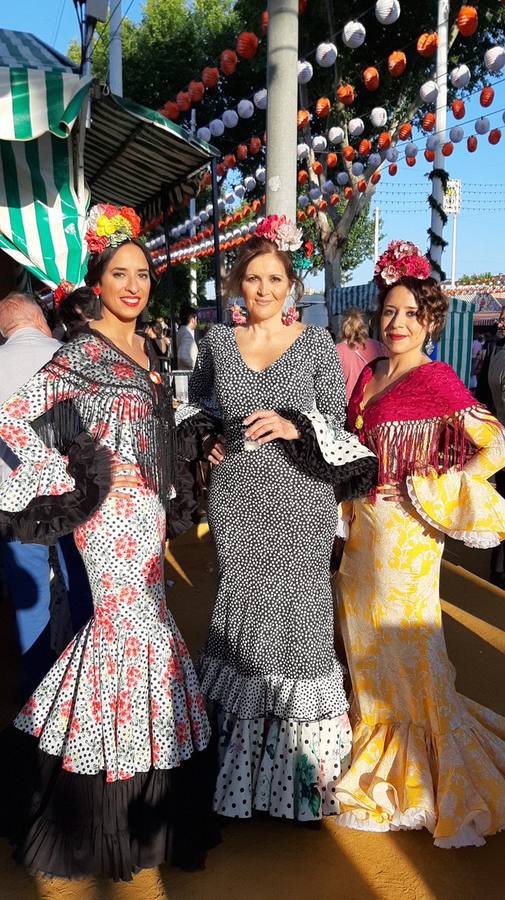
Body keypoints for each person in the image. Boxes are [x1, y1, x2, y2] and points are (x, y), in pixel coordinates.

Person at [0, 204, 212, 881]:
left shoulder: (145, 347)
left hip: (146, 510)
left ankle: (137, 801)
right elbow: (14, 418)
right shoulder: (85, 349)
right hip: (108, 517)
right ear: (97, 279)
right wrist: (73, 479)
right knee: (125, 632)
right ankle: (99, 809)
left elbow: (148, 433)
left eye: (142, 274)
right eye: (119, 273)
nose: (133, 285)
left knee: (147, 631)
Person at [176, 215, 377, 822]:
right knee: (239, 625)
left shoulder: (317, 346)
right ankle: (237, 788)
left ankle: (302, 792)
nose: (263, 289)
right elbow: (200, 408)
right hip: (237, 505)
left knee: (300, 633)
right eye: (253, 278)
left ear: (291, 285)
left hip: (299, 502)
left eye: (275, 279)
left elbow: (338, 429)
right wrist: (208, 437)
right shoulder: (213, 345)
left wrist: (295, 424)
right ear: (239, 284)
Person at [333, 240, 505, 847]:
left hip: (406, 541)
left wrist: (430, 491)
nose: (397, 323)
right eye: (389, 312)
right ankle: (374, 755)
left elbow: (494, 444)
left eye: (410, 313)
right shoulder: (372, 375)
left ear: (430, 321)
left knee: (412, 648)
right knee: (365, 646)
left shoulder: (437, 379)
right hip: (357, 536)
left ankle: (423, 773)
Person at [0, 293, 92, 700]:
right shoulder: (70, 357)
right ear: (40, 319)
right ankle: (85, 684)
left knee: (30, 600)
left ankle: (38, 695)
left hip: (12, 500)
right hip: (73, 494)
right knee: (83, 587)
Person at [336, 308, 386, 403]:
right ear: (365, 327)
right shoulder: (379, 347)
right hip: (374, 400)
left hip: (350, 404)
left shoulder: (338, 350)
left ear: (343, 327)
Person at [177, 305, 198, 370]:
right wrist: (197, 367)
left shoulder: (181, 332)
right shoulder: (187, 336)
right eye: (196, 319)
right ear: (192, 320)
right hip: (188, 376)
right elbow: (183, 356)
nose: (197, 322)